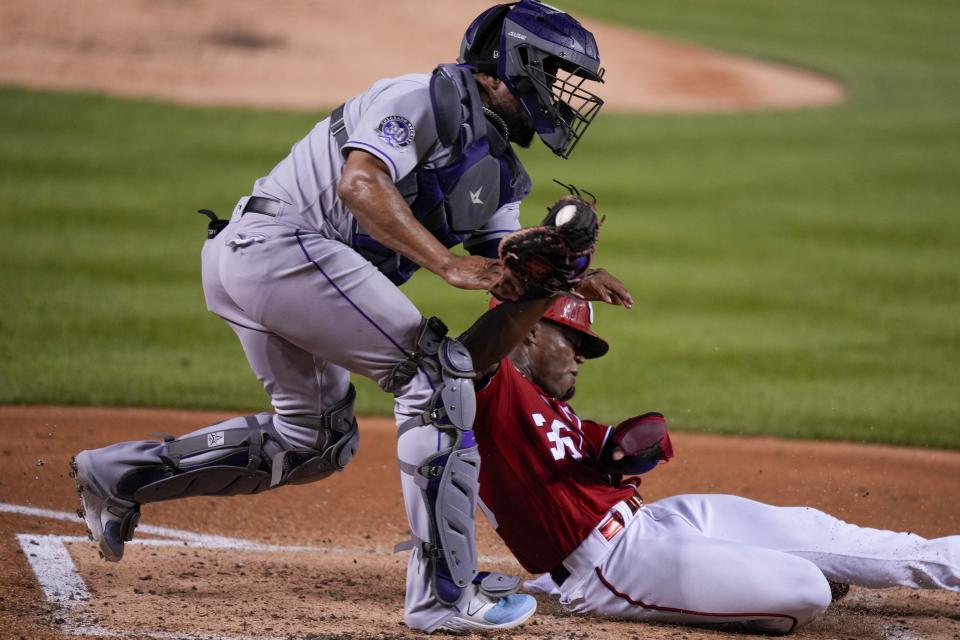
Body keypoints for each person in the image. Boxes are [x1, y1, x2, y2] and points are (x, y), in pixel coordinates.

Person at [69, 1, 631, 633]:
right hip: (272, 247)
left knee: (318, 442)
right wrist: (446, 265)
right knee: (433, 376)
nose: (560, 95)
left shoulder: (501, 176)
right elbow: (359, 184)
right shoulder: (419, 98)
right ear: (511, 65)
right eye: (553, 75)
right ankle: (444, 596)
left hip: (281, 267)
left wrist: (550, 280)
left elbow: (496, 300)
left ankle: (115, 474)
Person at [454, 295, 960, 635]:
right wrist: (544, 285)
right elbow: (475, 353)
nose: (581, 357)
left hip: (654, 523)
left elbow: (623, 444)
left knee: (816, 528)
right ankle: (763, 572)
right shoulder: (490, 393)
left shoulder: (549, 407)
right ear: (525, 336)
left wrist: (634, 448)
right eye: (572, 340)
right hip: (610, 568)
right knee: (806, 590)